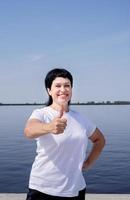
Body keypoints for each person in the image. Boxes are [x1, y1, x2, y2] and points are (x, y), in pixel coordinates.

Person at [24, 68, 105, 200]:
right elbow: (29, 131)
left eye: (67, 85)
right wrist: (49, 127)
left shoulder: (81, 118)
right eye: (58, 86)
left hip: (75, 189)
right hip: (43, 189)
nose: (63, 89)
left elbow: (100, 140)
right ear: (49, 90)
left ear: (71, 89)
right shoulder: (41, 113)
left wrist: (89, 162)